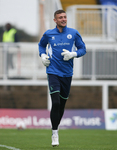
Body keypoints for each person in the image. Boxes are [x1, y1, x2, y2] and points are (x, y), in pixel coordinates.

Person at [38, 9, 86, 147]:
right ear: (55, 20)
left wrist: (73, 54)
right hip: (53, 71)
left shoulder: (73, 33)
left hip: (67, 73)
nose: (63, 19)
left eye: (65, 17)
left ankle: (55, 128)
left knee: (62, 104)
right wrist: (42, 56)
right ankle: (54, 133)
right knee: (56, 102)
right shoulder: (48, 34)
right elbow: (41, 45)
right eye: (60, 17)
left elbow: (83, 49)